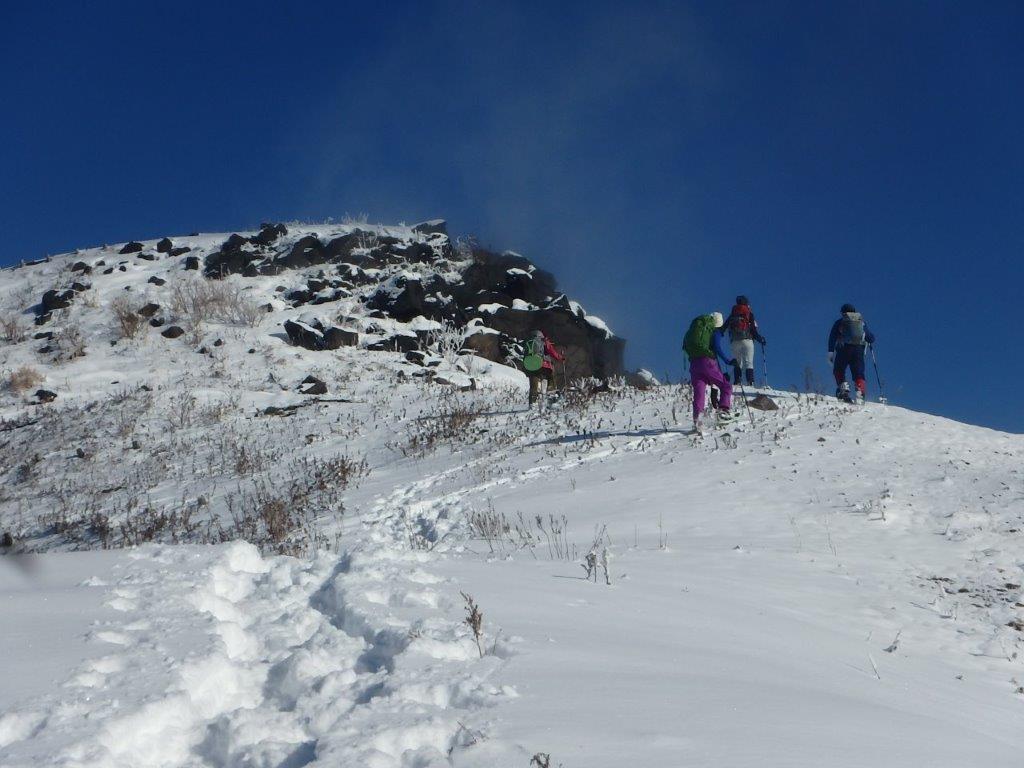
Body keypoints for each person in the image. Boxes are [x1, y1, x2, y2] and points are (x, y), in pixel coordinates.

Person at [683, 311, 738, 427]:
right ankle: (723, 412)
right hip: (706, 361)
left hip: (694, 363)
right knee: (726, 385)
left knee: (699, 393)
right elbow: (717, 347)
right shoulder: (715, 332)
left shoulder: (701, 329)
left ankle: (698, 421)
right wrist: (728, 361)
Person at [828, 303, 876, 403]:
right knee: (858, 373)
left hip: (843, 349)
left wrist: (831, 352)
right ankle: (860, 392)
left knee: (838, 370)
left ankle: (843, 387)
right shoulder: (861, 322)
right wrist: (870, 340)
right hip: (858, 351)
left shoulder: (840, 322)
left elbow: (832, 337)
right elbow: (870, 337)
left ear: (843, 312)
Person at [724, 295, 766, 386]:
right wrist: (760, 339)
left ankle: (737, 381)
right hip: (747, 340)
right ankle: (750, 382)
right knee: (749, 362)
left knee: (738, 362)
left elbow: (725, 326)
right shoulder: (749, 313)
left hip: (734, 341)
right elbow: (753, 331)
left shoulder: (733, 313)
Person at [524, 329, 564, 407]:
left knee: (533, 386)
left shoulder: (528, 342)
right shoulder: (544, 342)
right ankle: (551, 398)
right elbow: (552, 352)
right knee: (551, 379)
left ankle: (532, 403)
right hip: (543, 366)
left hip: (530, 366)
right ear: (541, 336)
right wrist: (560, 358)